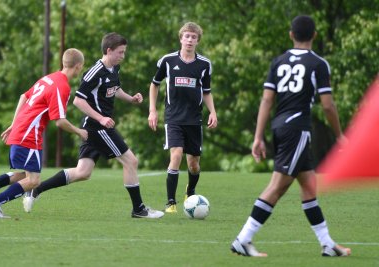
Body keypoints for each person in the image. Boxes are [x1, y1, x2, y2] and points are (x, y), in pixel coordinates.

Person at [230, 15, 351, 257]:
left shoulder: (278, 61)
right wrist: (340, 135)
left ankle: (327, 243)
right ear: (314, 35)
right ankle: (243, 239)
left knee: (308, 186)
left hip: (280, 127)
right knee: (277, 186)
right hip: (297, 130)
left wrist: (258, 137)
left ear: (291, 35)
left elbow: (266, 99)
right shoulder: (318, 64)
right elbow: (327, 106)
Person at [21, 32, 164, 219]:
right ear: (109, 50)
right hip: (98, 126)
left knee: (83, 172)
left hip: (96, 127)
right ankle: (138, 209)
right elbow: (78, 101)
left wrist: (131, 99)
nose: (123, 56)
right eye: (120, 52)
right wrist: (101, 118)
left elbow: (115, 89)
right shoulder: (94, 72)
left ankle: (36, 190)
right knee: (131, 161)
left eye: (124, 52)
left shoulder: (114, 69)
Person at [0, 48, 88, 218]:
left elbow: (24, 96)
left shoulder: (48, 78)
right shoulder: (62, 86)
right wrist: (79, 132)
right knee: (33, 180)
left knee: (26, 175)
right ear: (78, 66)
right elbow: (60, 121)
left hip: (22, 130)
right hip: (29, 135)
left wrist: (14, 123)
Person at [148, 22, 218, 213]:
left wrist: (213, 111)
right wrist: (152, 110)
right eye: (186, 36)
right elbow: (154, 84)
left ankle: (191, 190)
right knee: (176, 154)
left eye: (193, 37)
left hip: (194, 119)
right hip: (173, 118)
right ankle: (170, 202)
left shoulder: (204, 64)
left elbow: (207, 91)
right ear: (181, 38)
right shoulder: (168, 61)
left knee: (193, 164)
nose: (189, 40)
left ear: (197, 41)